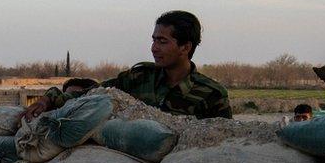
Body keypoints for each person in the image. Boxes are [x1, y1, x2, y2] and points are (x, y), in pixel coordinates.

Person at [24, 11, 231, 120]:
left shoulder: (211, 94)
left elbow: (221, 139)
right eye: (153, 40)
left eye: (162, 42)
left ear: (185, 47)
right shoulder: (137, 79)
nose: (153, 48)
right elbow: (93, 95)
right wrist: (49, 99)